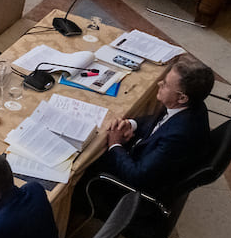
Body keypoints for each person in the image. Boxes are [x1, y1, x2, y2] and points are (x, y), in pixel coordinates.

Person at [85, 54, 214, 201]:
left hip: (132, 194)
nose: (159, 83)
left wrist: (115, 144)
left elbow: (137, 176)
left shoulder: (179, 136)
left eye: (165, 84)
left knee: (83, 163)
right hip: (145, 158)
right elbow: (157, 121)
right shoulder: (191, 106)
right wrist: (131, 125)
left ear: (182, 98)